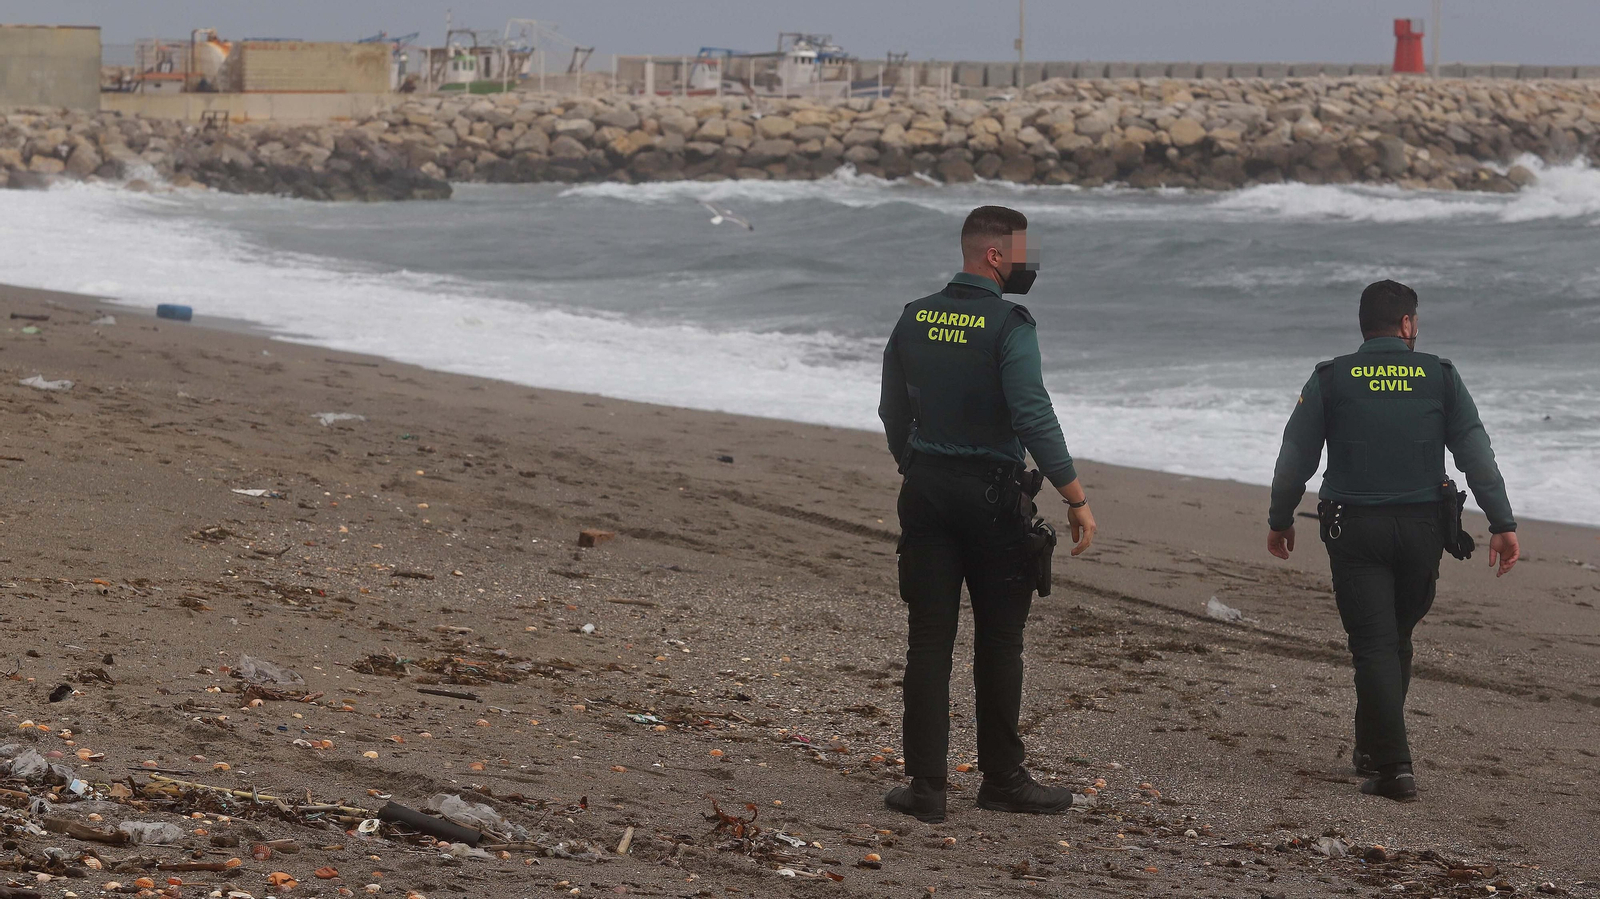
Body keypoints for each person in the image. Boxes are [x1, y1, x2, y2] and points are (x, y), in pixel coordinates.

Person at [878, 205, 1096, 823]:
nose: (1029, 262)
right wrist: (1075, 497)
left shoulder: (915, 316)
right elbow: (1032, 413)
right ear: (994, 255)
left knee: (928, 644)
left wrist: (914, 466)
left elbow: (893, 408)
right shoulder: (1010, 323)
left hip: (926, 494)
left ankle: (926, 788)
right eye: (1022, 251)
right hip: (993, 500)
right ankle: (1000, 778)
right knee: (1000, 643)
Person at [1266, 279, 1520, 802]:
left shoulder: (1331, 377)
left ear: (1365, 326)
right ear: (1407, 325)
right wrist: (1502, 522)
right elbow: (1476, 454)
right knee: (1395, 637)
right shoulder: (1440, 375)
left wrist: (1280, 516)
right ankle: (1373, 747)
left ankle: (1392, 766)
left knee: (1377, 643)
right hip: (1424, 529)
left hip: (1353, 530)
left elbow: (1295, 457)